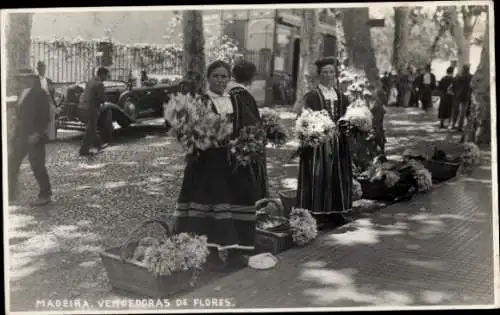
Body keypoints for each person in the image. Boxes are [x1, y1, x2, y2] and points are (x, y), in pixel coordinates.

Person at [173, 60, 266, 266]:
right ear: (208, 78)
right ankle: (211, 253)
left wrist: (248, 141)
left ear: (229, 78)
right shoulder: (201, 101)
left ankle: (236, 251)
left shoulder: (235, 99)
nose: (220, 80)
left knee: (238, 199)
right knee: (212, 203)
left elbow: (251, 123)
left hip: (235, 161)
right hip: (208, 163)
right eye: (216, 76)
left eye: (224, 76)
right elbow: (187, 131)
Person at [296, 57, 353, 229]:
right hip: (319, 144)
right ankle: (317, 213)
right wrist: (315, 132)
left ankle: (336, 212)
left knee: (337, 174)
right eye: (325, 72)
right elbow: (304, 119)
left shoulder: (341, 96)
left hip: (339, 143)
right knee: (320, 175)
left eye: (331, 72)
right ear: (319, 75)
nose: (328, 75)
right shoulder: (312, 96)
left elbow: (346, 116)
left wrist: (347, 124)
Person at [8, 68, 52, 206]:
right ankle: (10, 194)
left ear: (32, 79)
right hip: (20, 135)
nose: (21, 81)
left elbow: (45, 116)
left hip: (34, 135)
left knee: (37, 166)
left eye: (24, 78)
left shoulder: (41, 94)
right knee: (11, 163)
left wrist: (38, 133)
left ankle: (45, 194)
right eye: (20, 78)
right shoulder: (22, 92)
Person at [227, 59, 270, 200]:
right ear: (251, 77)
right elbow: (250, 123)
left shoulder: (229, 92)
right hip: (243, 146)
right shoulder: (242, 94)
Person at [78, 67, 109, 156]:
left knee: (92, 128)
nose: (106, 78)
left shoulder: (90, 81)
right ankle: (83, 150)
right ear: (102, 74)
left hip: (84, 107)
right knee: (90, 130)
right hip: (92, 108)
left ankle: (98, 144)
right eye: (106, 76)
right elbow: (102, 98)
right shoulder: (99, 84)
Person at [36, 61, 58, 140]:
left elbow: (53, 92)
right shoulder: (35, 80)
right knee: (41, 117)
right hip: (39, 102)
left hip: (49, 100)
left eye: (44, 68)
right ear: (37, 69)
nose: (43, 70)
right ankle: (41, 135)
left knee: (51, 114)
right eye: (41, 68)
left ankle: (50, 136)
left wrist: (54, 103)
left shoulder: (48, 80)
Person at [451, 64, 473, 131]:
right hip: (466, 96)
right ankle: (460, 127)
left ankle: (453, 125)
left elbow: (453, 85)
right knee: (463, 112)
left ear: (463, 69)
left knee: (455, 110)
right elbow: (472, 87)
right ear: (468, 69)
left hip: (457, 96)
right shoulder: (471, 77)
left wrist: (455, 92)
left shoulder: (458, 76)